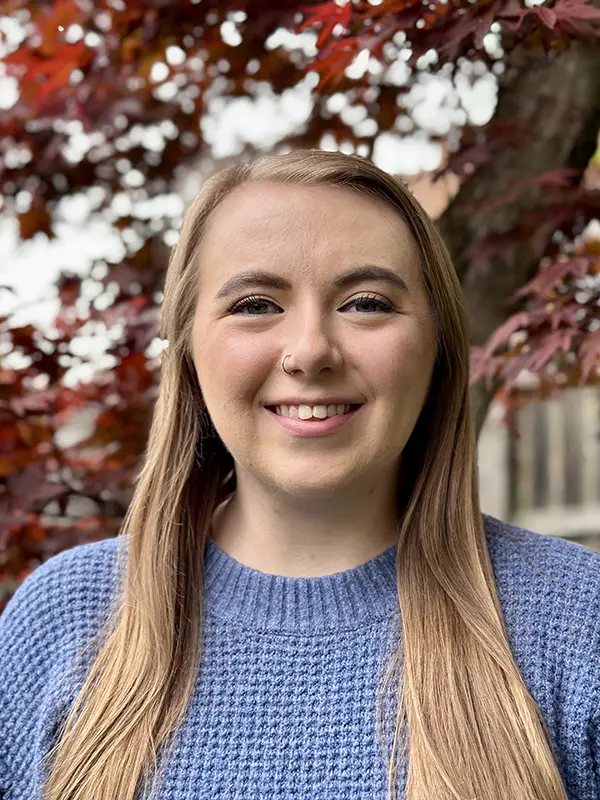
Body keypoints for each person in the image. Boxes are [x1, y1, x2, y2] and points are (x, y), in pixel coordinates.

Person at [0, 150, 599, 800]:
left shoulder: (576, 623)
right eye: (256, 304)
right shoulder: (65, 622)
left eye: (366, 303)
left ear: (437, 352)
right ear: (190, 354)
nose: (310, 350)